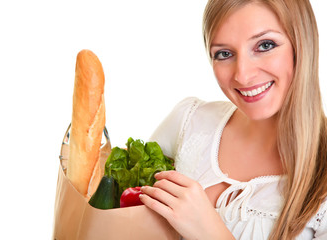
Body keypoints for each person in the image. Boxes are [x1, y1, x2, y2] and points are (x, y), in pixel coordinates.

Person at [138, 0, 327, 239]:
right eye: (224, 54)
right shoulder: (187, 121)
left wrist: (211, 232)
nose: (243, 75)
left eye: (265, 45)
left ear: (302, 44)